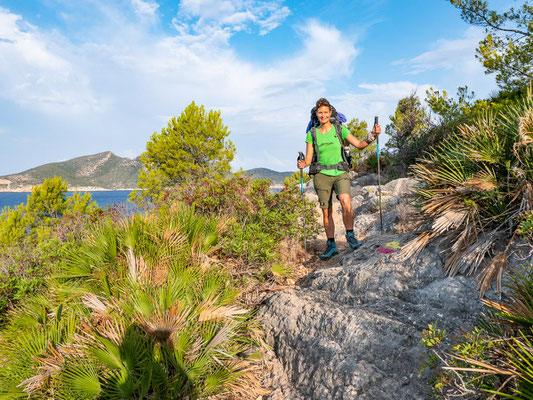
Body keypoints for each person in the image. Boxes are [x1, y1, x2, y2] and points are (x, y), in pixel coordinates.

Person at [297, 98, 381, 260]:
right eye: (320, 113)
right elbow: (308, 160)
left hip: (340, 172)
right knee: (326, 211)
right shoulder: (311, 134)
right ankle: (331, 245)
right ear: (317, 114)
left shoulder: (339, 129)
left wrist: (372, 136)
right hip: (321, 175)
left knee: (345, 201)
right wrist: (302, 164)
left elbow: (359, 144)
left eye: (325, 112)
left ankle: (350, 236)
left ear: (330, 114)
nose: (322, 115)